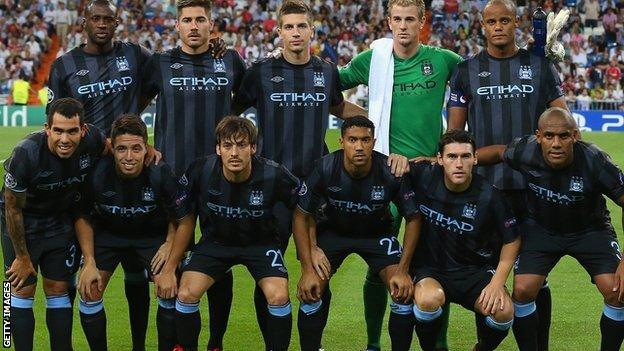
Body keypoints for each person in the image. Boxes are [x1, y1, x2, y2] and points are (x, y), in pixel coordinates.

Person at [233, 1, 379, 346]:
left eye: (302, 27)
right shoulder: (260, 72)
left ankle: (313, 343)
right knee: (269, 272)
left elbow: (338, 106)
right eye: (289, 27)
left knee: (320, 270)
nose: (295, 33)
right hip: (272, 187)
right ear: (279, 32)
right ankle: (273, 343)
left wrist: (380, 118)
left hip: (318, 187)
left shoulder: (325, 71)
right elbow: (233, 110)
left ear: (312, 31)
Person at [338, 0, 462, 348]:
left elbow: (482, 79)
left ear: (423, 22)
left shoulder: (443, 60)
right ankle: (374, 343)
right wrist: (366, 120)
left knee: (436, 265)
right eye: (397, 19)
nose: (404, 26)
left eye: (411, 19)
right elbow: (331, 87)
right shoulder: (373, 59)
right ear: (389, 21)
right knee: (380, 263)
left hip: (429, 174)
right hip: (384, 174)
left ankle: (438, 343)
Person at [447, 1, 568, 348]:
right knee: (490, 275)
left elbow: (564, 122)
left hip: (534, 189)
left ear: (516, 23)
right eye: (491, 21)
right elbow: (456, 134)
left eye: (504, 20)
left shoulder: (540, 66)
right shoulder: (466, 70)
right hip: (486, 189)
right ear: (481, 26)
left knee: (533, 279)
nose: (498, 26)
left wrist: (552, 69)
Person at [48, 2, 157, 347]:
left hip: (129, 171)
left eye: (108, 19)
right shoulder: (64, 65)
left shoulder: (135, 54)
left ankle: (138, 344)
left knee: (136, 268)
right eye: (96, 18)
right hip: (82, 177)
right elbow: (55, 122)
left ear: (116, 22)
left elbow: (159, 79)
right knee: (72, 275)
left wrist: (129, 133)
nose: (102, 24)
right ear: (85, 23)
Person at [141, 0, 246, 348]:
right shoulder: (160, 62)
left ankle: (215, 341)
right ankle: (175, 342)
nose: (194, 25)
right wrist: (145, 145)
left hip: (220, 178)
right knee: (170, 262)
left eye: (201, 19)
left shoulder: (229, 60)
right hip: (170, 179)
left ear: (211, 23)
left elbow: (247, 98)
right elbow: (133, 105)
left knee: (220, 261)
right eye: (187, 20)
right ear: (177, 26)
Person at [477, 107, 624, 351]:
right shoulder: (525, 150)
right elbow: (498, 152)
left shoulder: (594, 159)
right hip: (541, 229)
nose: (556, 143)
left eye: (564, 136)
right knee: (522, 291)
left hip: (591, 231)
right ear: (538, 136)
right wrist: (468, 157)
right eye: (549, 136)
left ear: (575, 136)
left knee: (616, 292)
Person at [157, 116, 300, 351]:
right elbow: (181, 214)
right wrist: (170, 265)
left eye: (242, 145)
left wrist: (310, 251)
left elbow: (304, 211)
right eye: (227, 146)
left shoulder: (274, 174)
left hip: (260, 245)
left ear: (253, 148)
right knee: (186, 294)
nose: (234, 153)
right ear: (218, 149)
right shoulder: (201, 169)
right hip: (215, 243)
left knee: (278, 296)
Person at [293, 116, 419, 351]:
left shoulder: (389, 171)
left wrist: (402, 270)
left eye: (365, 140)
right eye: (352, 140)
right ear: (341, 141)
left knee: (402, 291)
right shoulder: (325, 167)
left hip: (376, 234)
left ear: (374, 141)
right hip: (332, 233)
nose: (359, 146)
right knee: (312, 290)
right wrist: (309, 264)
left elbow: (413, 218)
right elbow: (301, 215)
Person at [74, 114, 187, 351]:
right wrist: (89, 261)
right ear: (111, 149)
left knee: (168, 288)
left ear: (146, 148)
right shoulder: (96, 174)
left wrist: (168, 248)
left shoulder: (160, 172)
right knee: (89, 290)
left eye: (136, 149)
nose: (129, 157)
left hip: (150, 237)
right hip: (108, 235)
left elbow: (180, 217)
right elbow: (82, 216)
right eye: (122, 149)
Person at [1, 98, 106, 351]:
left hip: (59, 219)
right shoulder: (26, 153)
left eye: (72, 131)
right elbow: (12, 208)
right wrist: (23, 257)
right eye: (58, 130)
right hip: (21, 223)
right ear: (47, 128)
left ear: (83, 130)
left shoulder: (94, 140)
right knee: (20, 289)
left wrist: (146, 150)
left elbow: (115, 148)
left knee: (58, 288)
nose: (64, 139)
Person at [404, 130, 520, 351]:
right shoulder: (424, 176)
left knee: (503, 312)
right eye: (452, 156)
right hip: (431, 269)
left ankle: (482, 348)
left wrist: (497, 283)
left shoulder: (490, 196)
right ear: (439, 159)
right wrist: (398, 159)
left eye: (465, 156)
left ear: (475, 158)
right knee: (429, 300)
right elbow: (392, 169)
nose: (459, 163)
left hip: (473, 271)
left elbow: (512, 240)